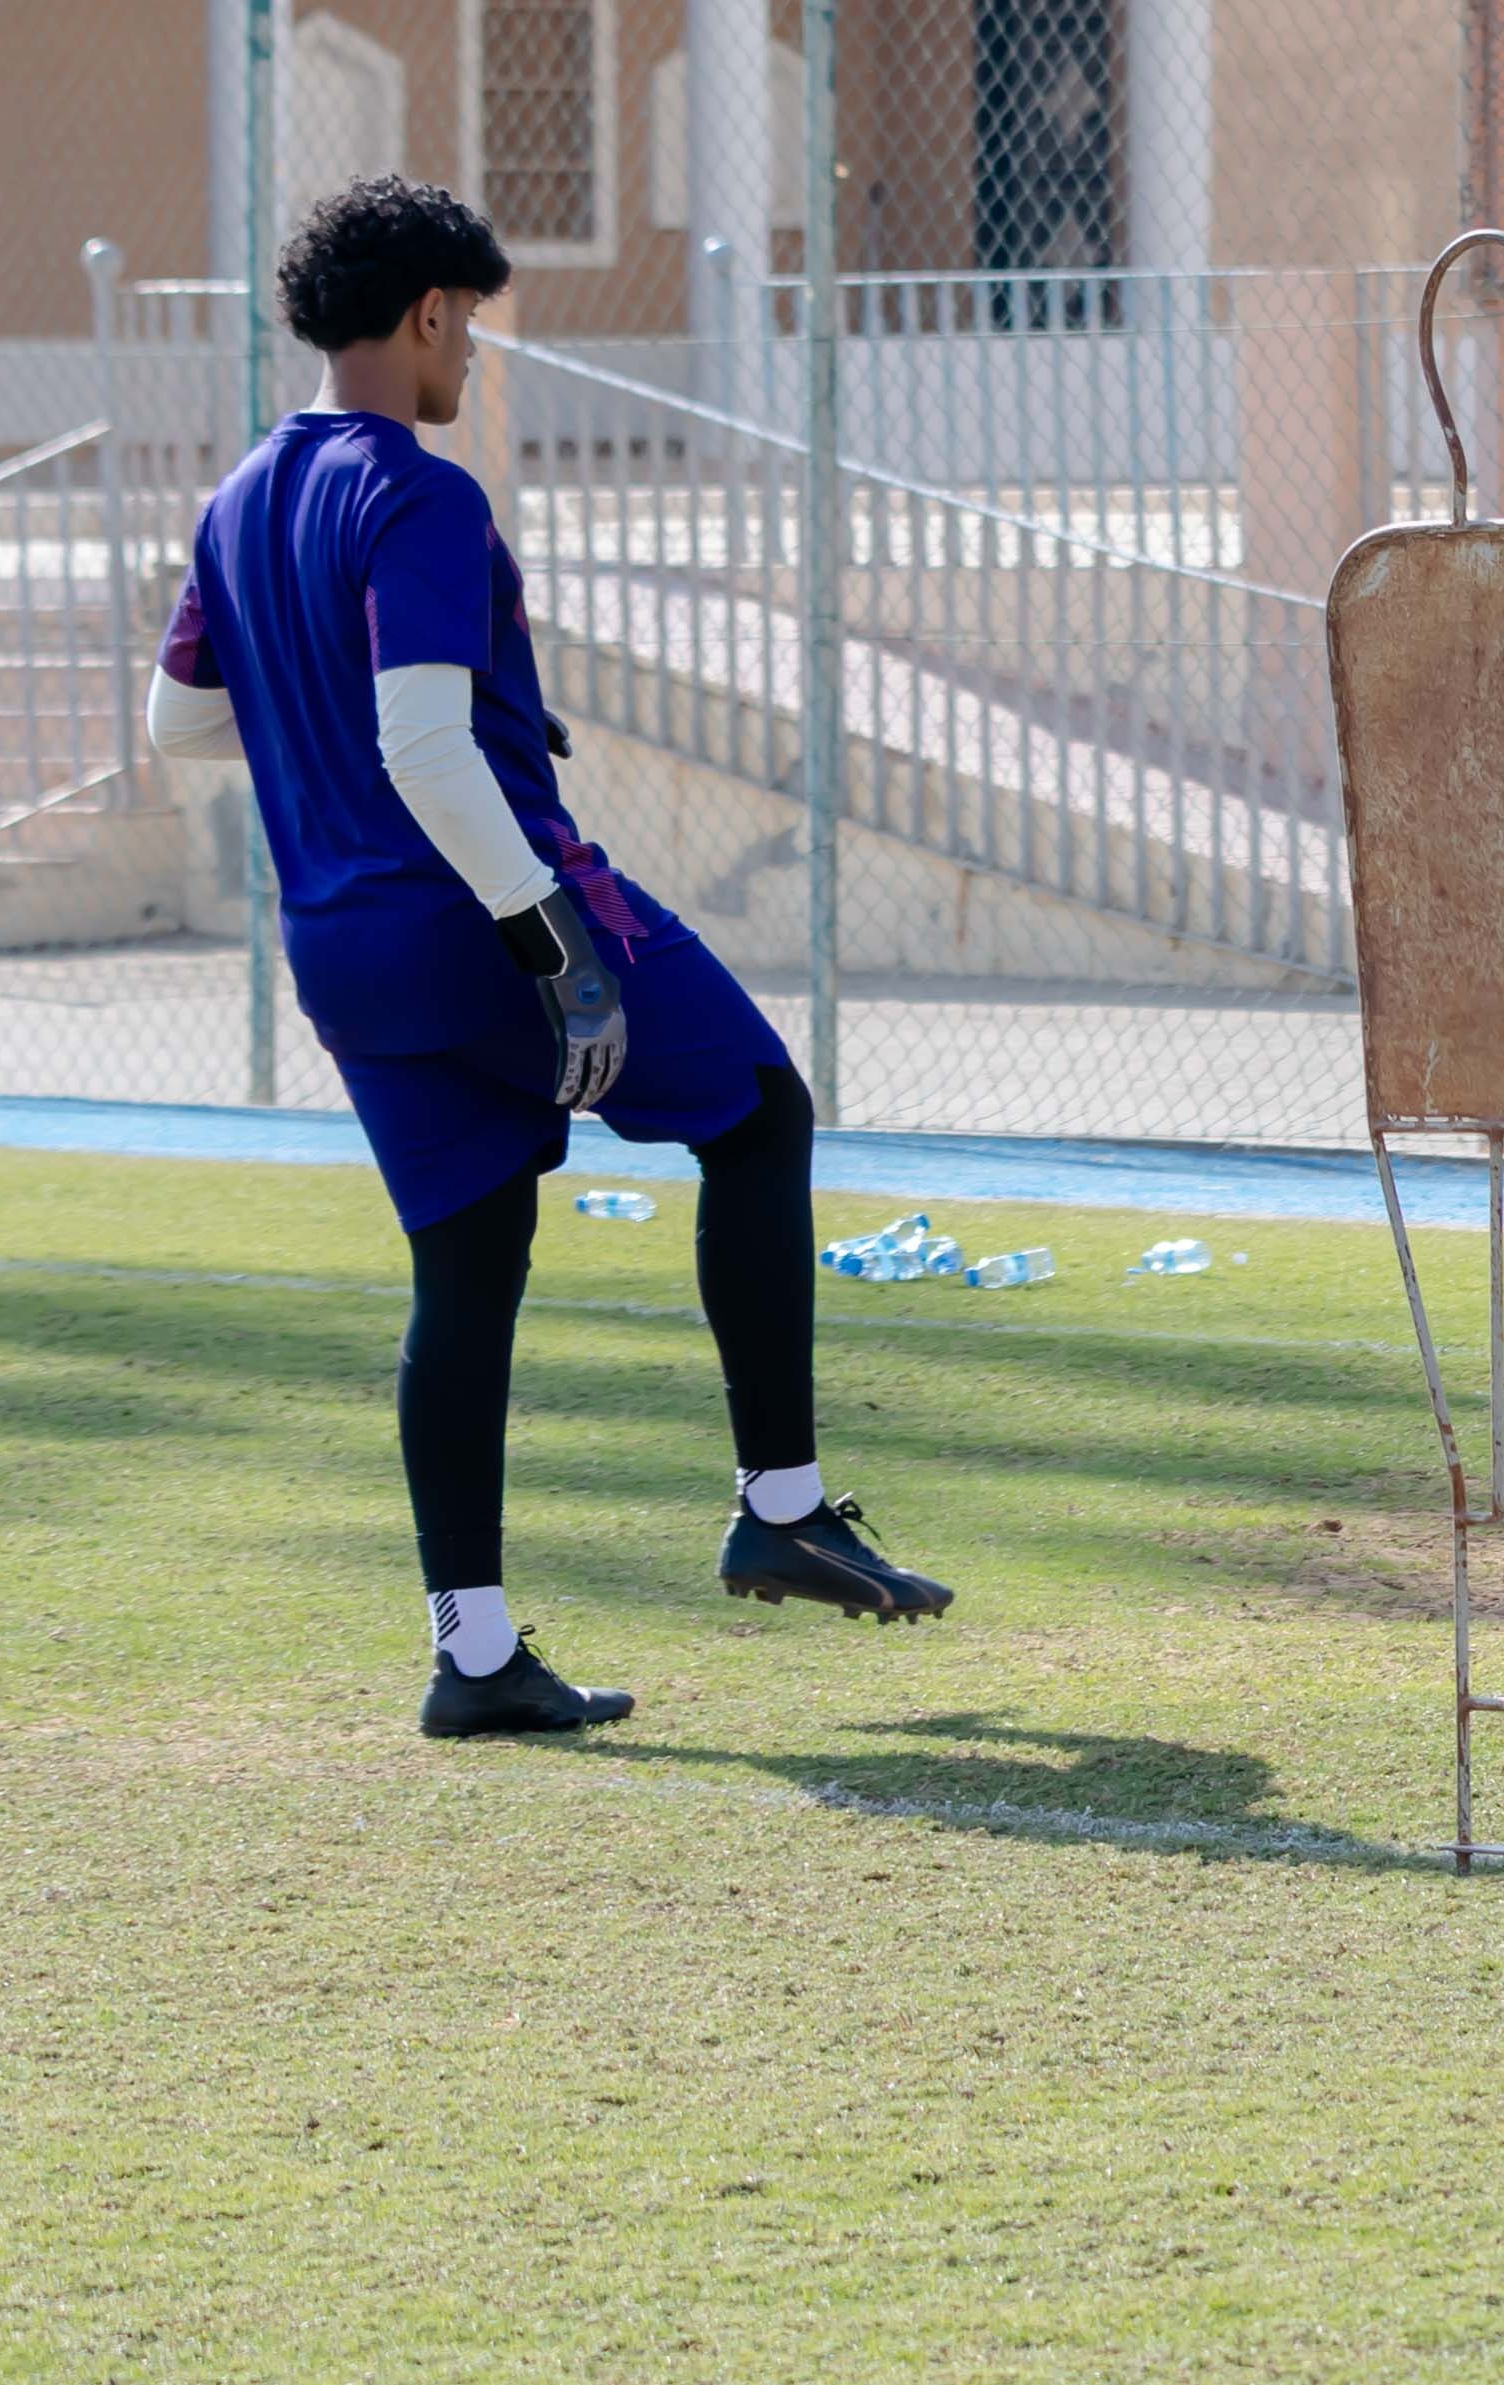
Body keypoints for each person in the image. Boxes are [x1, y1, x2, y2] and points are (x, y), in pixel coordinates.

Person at [149, 176, 952, 1736]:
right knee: (761, 1113)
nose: (472, 354)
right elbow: (422, 745)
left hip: (343, 952)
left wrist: (376, 737)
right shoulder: (420, 489)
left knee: (465, 1269)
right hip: (487, 926)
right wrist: (553, 940)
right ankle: (782, 1506)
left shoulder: (236, 497)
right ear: (428, 312)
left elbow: (180, 723)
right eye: (469, 324)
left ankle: (473, 1654)